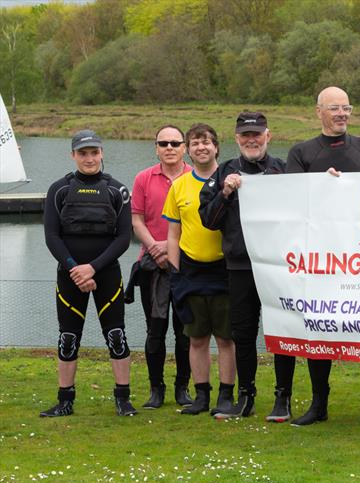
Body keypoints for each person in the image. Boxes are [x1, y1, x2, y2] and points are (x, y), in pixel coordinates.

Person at [285, 86, 360, 427]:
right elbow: (292, 201)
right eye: (334, 108)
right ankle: (319, 404)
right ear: (319, 112)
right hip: (321, 259)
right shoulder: (301, 152)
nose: (342, 114)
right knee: (319, 328)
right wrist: (322, 185)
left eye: (346, 107)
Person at [198, 111, 295, 421]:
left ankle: (283, 397)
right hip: (240, 266)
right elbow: (209, 221)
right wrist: (225, 192)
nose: (251, 140)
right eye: (245, 135)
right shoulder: (224, 171)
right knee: (243, 333)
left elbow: (308, 211)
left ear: (268, 135)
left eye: (257, 134)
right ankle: (246, 396)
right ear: (236, 138)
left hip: (278, 265)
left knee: (283, 330)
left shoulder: (285, 170)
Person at [41, 130, 135, 417]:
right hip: (69, 276)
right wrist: (75, 269)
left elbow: (123, 237)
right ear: (73, 155)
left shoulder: (117, 190)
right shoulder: (59, 190)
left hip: (105, 273)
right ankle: (65, 401)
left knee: (116, 336)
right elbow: (51, 237)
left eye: (94, 153)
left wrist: (92, 268)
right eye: (83, 153)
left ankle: (123, 398)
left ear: (102, 153)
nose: (89, 158)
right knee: (68, 338)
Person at [163, 123, 236, 415]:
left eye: (206, 142)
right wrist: (174, 272)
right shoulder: (179, 185)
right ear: (188, 150)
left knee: (226, 338)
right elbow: (172, 234)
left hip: (225, 269)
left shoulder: (231, 181)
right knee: (196, 338)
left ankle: (226, 396)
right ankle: (202, 395)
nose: (201, 147)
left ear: (216, 146)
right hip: (190, 272)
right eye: (194, 143)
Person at [131, 125, 192, 409]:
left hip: (186, 265)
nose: (169, 148)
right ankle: (156, 390)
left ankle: (183, 388)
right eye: (163, 143)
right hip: (151, 265)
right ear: (156, 148)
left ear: (184, 147)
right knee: (155, 330)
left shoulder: (196, 176)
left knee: (186, 331)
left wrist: (170, 247)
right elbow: (136, 220)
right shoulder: (143, 178)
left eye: (175, 143)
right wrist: (155, 247)